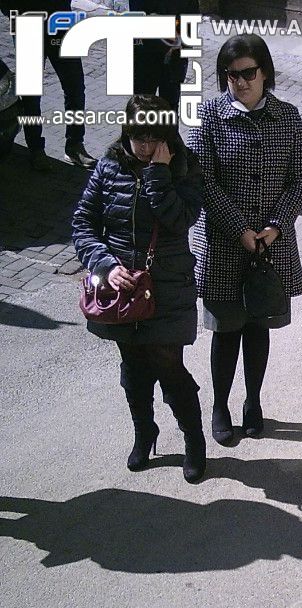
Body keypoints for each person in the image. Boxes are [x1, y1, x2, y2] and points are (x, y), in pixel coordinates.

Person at [72, 95, 206, 483]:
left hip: (167, 286)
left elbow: (182, 219)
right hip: (121, 291)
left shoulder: (183, 166)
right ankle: (144, 429)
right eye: (138, 136)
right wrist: (106, 266)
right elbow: (83, 223)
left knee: (168, 364)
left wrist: (158, 176)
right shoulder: (110, 165)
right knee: (133, 363)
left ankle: (193, 439)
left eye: (154, 136)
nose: (145, 146)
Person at [186, 34, 302, 446]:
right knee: (226, 331)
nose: (238, 82)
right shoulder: (207, 117)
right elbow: (203, 183)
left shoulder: (289, 118)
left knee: (259, 328)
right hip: (225, 245)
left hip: (271, 247)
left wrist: (275, 225)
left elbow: (299, 181)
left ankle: (253, 402)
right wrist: (239, 229)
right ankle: (220, 405)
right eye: (230, 75)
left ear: (265, 73)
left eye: (247, 74)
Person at [3, 0, 96, 171]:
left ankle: (75, 145)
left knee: (75, 87)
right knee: (31, 94)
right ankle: (36, 149)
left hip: (61, 26)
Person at [130, 0, 200, 114]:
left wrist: (181, 39)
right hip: (146, 55)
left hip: (175, 57)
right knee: (142, 106)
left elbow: (192, 17)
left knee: (170, 108)